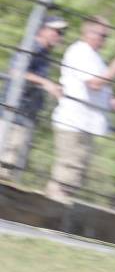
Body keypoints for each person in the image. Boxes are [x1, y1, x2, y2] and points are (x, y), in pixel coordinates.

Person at [45, 16, 115, 203]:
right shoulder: (79, 52)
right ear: (88, 32)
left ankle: (56, 212)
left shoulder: (94, 57)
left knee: (76, 174)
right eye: (102, 35)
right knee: (68, 172)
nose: (104, 39)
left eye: (106, 36)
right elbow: (94, 83)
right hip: (73, 122)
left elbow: (95, 92)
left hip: (86, 124)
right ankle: (52, 211)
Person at [0, 16, 67, 180]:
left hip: (25, 118)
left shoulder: (45, 55)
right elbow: (16, 71)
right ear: (43, 29)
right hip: (11, 116)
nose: (59, 35)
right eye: (56, 31)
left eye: (62, 32)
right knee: (4, 169)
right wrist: (45, 83)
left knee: (11, 174)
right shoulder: (32, 47)